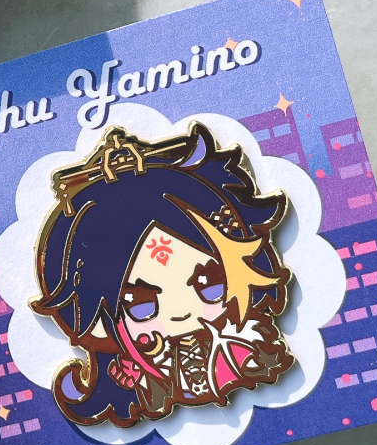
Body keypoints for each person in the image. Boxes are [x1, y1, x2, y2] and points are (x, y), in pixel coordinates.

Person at [32, 123, 293, 427]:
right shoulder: (143, 365)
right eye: (141, 305)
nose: (181, 312)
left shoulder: (240, 339)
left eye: (208, 284)